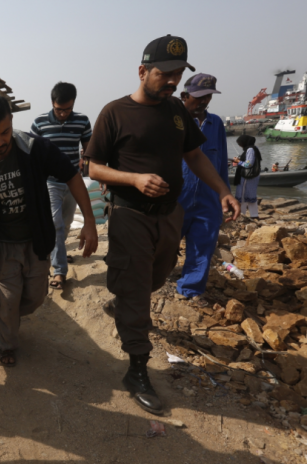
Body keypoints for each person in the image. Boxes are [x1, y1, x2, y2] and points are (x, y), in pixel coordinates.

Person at [85, 35, 240, 415]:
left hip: (170, 216)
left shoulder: (176, 110)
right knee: (138, 290)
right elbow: (91, 167)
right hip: (131, 216)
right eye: (165, 74)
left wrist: (222, 190)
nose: (172, 81)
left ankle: (124, 301)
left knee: (156, 279)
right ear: (142, 71)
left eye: (177, 74)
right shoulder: (114, 113)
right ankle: (137, 369)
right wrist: (134, 179)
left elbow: (194, 154)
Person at [0, 93, 98, 367]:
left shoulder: (35, 148)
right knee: (8, 299)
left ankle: (8, 314)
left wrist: (89, 221)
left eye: (5, 132)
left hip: (37, 240)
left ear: (12, 121)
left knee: (36, 297)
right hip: (2, 246)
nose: (0, 141)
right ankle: (6, 343)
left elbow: (72, 176)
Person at [31, 82, 93, 289]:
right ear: (52, 103)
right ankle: (59, 271)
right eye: (59, 109)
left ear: (73, 103)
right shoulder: (39, 123)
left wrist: (91, 166)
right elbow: (32, 154)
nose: (63, 114)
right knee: (56, 223)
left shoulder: (82, 121)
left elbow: (88, 149)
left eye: (67, 109)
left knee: (65, 224)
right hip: (51, 183)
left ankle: (58, 251)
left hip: (73, 183)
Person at [176, 73, 229, 304]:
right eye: (198, 97)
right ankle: (154, 279)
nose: (203, 101)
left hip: (208, 199)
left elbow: (222, 162)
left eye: (208, 97)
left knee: (203, 246)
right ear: (184, 95)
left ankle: (192, 289)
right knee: (165, 244)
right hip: (177, 197)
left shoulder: (215, 123)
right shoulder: (172, 121)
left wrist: (225, 194)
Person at [233, 134, 262, 219]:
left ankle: (241, 215)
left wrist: (238, 161)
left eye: (240, 143)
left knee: (242, 196)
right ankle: (254, 215)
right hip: (253, 176)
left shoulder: (250, 150)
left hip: (247, 177)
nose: (239, 145)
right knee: (251, 196)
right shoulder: (254, 148)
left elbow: (248, 164)